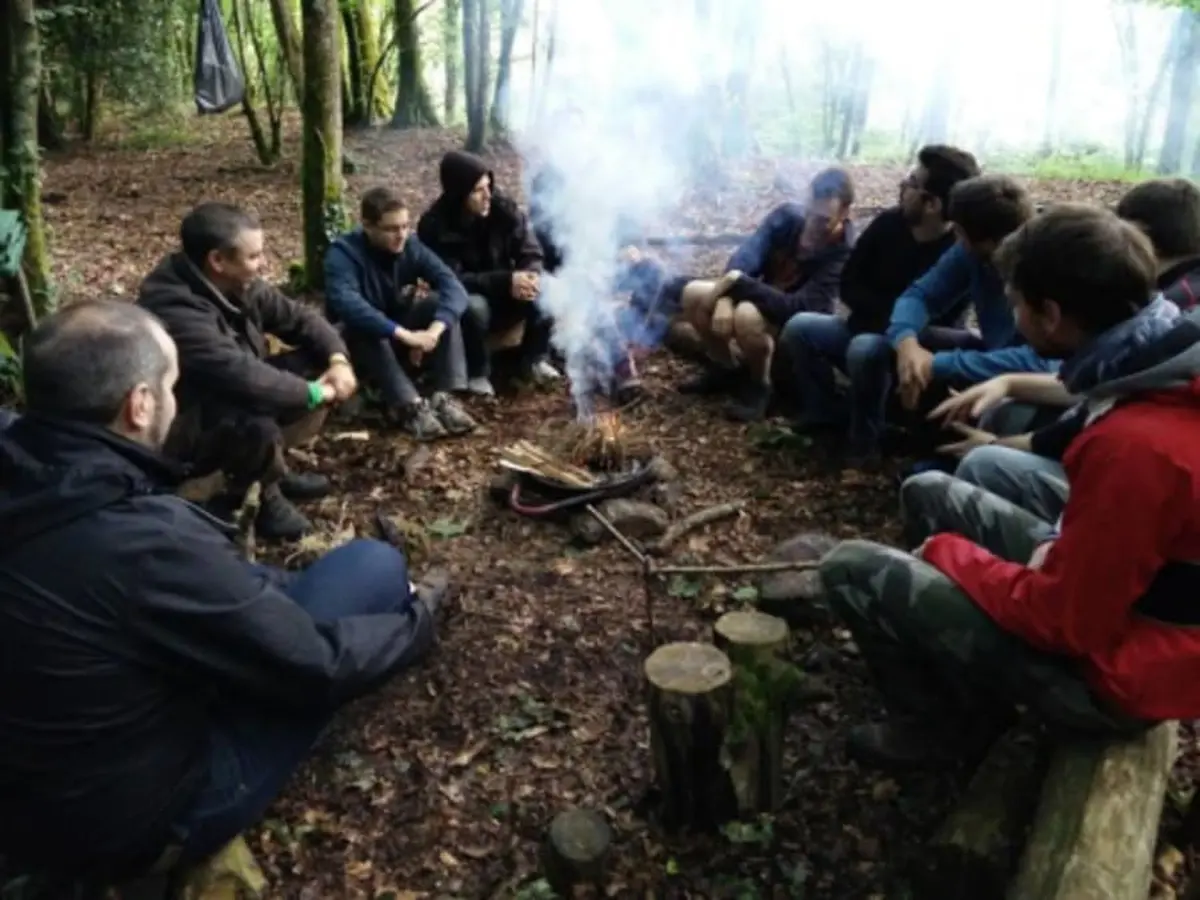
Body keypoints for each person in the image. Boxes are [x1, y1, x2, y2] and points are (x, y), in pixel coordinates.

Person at [0, 300, 446, 884]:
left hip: (27, 787)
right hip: (125, 826)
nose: (174, 400)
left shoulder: (29, 474)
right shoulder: (145, 540)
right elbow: (315, 665)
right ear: (139, 404)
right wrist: (416, 620)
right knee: (375, 565)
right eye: (171, 386)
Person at [820, 204, 1200, 770]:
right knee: (929, 491)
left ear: (1051, 314)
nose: (1011, 313)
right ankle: (956, 674)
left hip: (1125, 672)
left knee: (849, 567)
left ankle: (948, 729)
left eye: (1015, 302)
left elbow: (1064, 623)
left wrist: (950, 555)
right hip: (1125, 607)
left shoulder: (1137, 445)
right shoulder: (1155, 362)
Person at [931, 176, 1200, 513]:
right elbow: (1096, 395)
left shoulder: (1127, 435)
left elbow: (1094, 414)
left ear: (1050, 314)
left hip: (1134, 511)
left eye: (1015, 304)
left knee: (973, 466)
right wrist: (1008, 384)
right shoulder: (1153, 340)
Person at [138, 202, 355, 541]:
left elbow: (299, 318)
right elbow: (240, 375)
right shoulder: (174, 309)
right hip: (182, 423)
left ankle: (271, 469)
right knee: (254, 420)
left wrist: (337, 360)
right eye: (254, 256)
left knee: (312, 363)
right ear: (217, 261)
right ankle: (259, 496)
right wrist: (315, 392)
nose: (263, 263)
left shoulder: (236, 283)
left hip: (223, 395)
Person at [779, 146, 980, 464]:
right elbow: (850, 283)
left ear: (932, 203)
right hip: (866, 325)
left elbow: (942, 319)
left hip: (920, 347)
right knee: (801, 327)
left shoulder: (959, 250)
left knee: (865, 348)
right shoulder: (888, 224)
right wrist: (884, 317)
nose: (903, 185)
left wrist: (878, 320)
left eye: (913, 182)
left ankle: (865, 443)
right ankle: (825, 412)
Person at [677, 167, 857, 421]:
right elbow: (746, 255)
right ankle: (725, 367)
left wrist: (737, 284)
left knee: (746, 316)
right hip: (760, 298)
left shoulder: (843, 253)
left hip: (793, 325)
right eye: (810, 213)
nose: (813, 224)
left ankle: (761, 385)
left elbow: (798, 307)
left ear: (845, 212)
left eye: (823, 220)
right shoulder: (788, 217)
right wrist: (726, 295)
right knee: (693, 294)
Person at [325, 186, 478, 440]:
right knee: (364, 325)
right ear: (368, 226)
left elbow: (453, 287)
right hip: (356, 344)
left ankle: (445, 396)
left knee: (439, 304)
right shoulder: (342, 255)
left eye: (405, 226)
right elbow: (349, 305)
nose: (401, 235)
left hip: (397, 332)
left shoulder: (411, 246)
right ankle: (410, 406)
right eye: (391, 229)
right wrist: (406, 336)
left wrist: (433, 331)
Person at [417, 151, 560, 387]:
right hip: (472, 297)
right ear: (459, 193)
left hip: (509, 291)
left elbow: (530, 249)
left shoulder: (502, 208)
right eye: (477, 191)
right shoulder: (434, 227)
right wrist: (506, 281)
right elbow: (451, 280)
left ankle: (535, 357)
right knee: (475, 307)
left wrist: (529, 274)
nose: (487, 196)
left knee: (547, 286)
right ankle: (478, 372)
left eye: (488, 187)